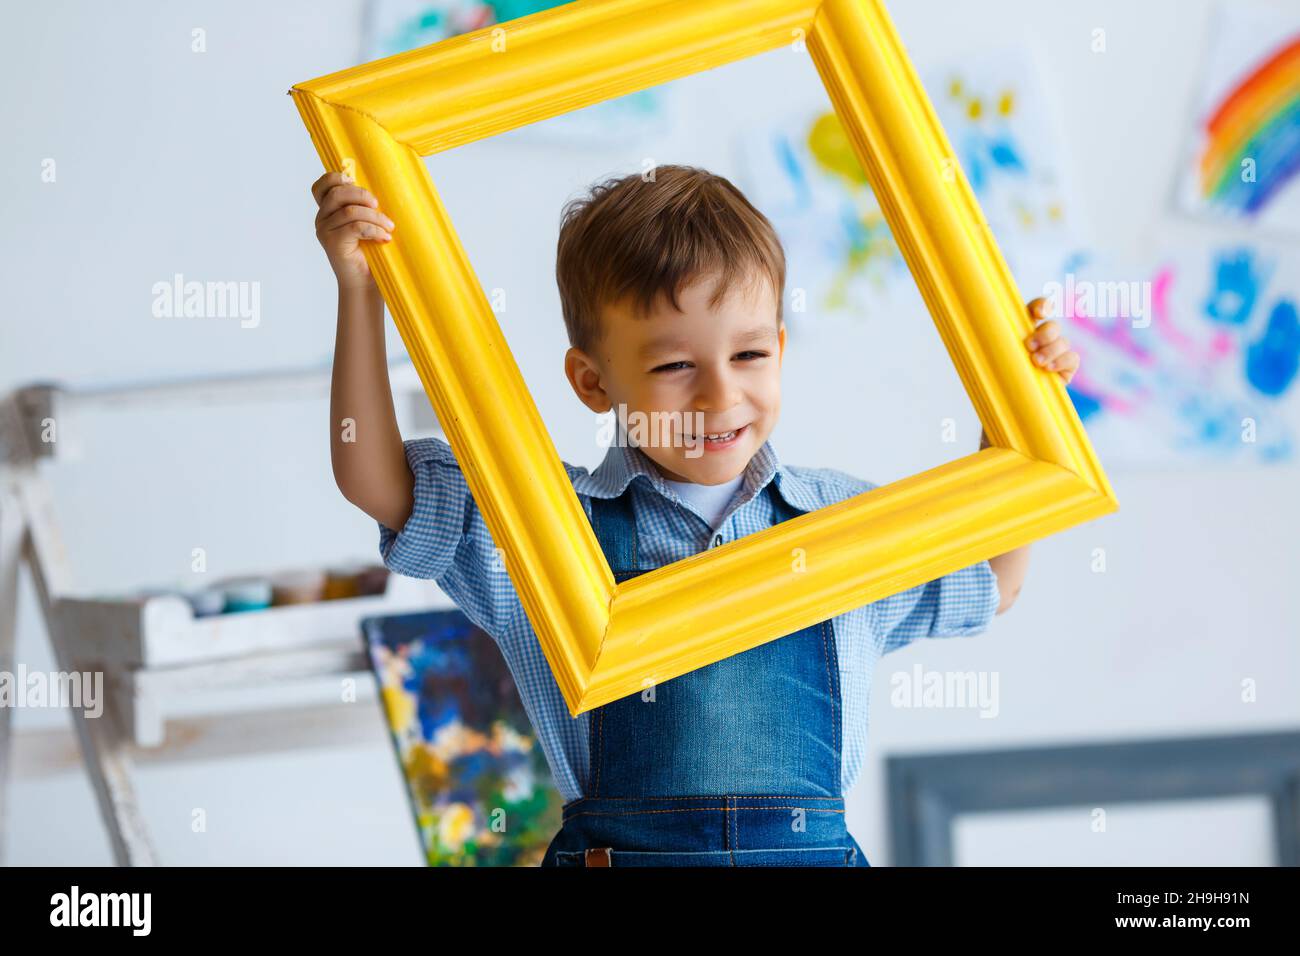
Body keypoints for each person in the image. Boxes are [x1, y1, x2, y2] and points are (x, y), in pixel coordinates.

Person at [312, 163, 1080, 867]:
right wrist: (359, 291)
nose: (720, 396)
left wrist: (1021, 408)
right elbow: (373, 479)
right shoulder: (543, 526)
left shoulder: (840, 520)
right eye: (675, 366)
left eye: (749, 356)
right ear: (590, 380)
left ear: (780, 347)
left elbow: (995, 580)